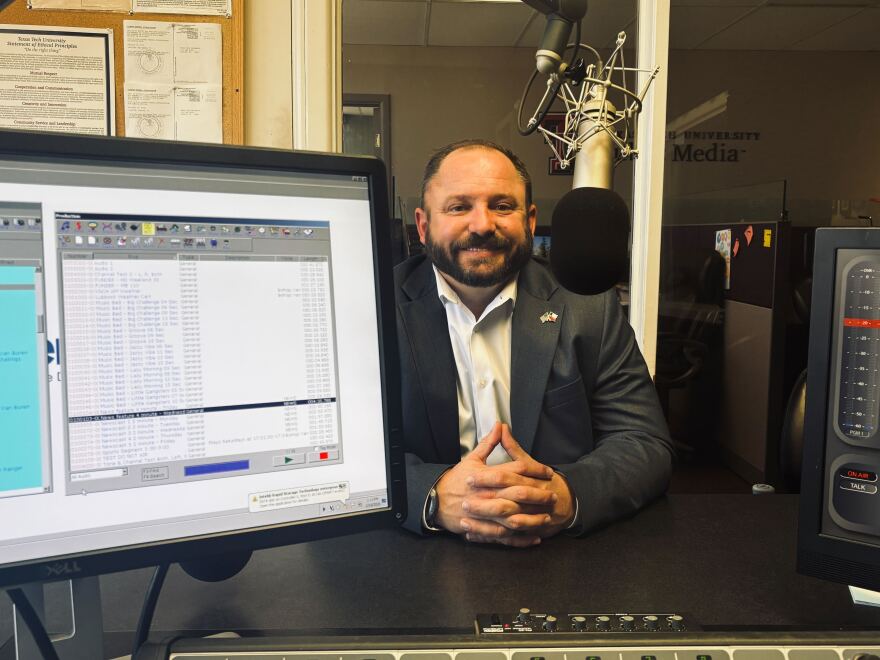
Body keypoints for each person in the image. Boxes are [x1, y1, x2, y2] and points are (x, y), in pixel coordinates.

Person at [396, 139, 674, 547]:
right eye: (459, 207)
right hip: (422, 553)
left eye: (502, 206)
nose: (481, 225)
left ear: (529, 220)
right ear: (423, 226)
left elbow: (644, 442)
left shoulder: (590, 306)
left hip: (560, 551)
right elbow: (344, 456)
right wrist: (431, 495)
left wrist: (567, 494)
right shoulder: (375, 307)